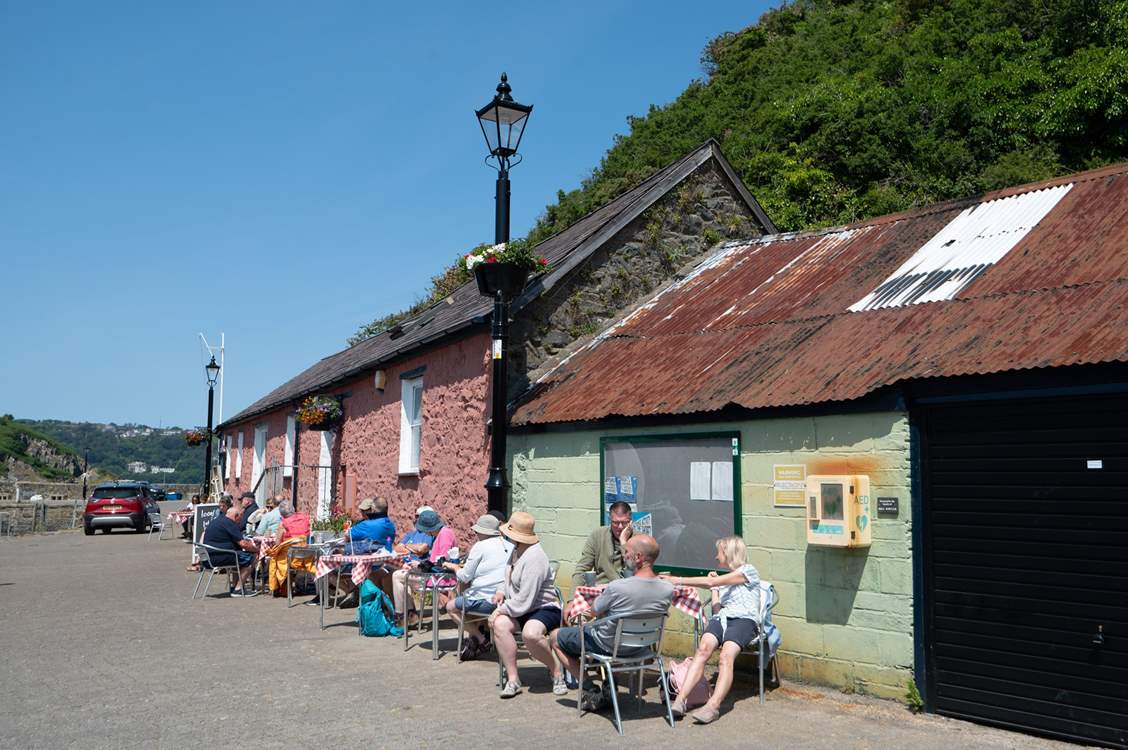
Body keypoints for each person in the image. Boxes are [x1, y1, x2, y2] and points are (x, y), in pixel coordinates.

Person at [550, 534, 673, 708]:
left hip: (608, 645)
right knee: (609, 631)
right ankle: (609, 687)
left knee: (555, 637)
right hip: (641, 648)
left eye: (627, 552)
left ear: (638, 557)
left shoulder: (617, 587)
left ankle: (589, 687)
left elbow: (593, 611)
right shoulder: (668, 589)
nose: (624, 556)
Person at [660, 535, 762, 725]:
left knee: (725, 656)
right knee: (703, 649)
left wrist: (676, 580)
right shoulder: (723, 580)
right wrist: (715, 590)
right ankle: (680, 701)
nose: (716, 557)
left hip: (744, 621)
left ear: (729, 553)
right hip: (722, 618)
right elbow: (716, 608)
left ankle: (713, 706)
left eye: (719, 552)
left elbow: (710, 583)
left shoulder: (748, 571)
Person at [489, 511, 561, 699]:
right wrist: (501, 591)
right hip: (521, 608)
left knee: (530, 633)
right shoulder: (516, 551)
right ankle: (513, 679)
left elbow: (525, 600)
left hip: (543, 607)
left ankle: (556, 670)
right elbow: (510, 580)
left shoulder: (535, 557)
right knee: (500, 626)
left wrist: (498, 610)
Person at [440, 514, 513, 660]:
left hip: (486, 601)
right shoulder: (510, 546)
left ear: (482, 532)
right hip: (506, 599)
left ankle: (480, 639)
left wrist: (454, 567)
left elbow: (465, 576)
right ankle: (477, 638)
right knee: (469, 600)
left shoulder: (480, 546)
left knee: (451, 607)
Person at [390, 509, 457, 624]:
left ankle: (401, 616)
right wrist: (419, 565)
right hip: (434, 574)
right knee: (401, 576)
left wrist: (420, 565)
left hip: (438, 578)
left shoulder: (444, 535)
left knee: (397, 576)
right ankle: (409, 614)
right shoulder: (443, 533)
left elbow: (442, 563)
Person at [200, 505, 260, 597]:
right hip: (219, 557)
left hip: (208, 557)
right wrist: (257, 549)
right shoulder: (229, 523)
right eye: (241, 517)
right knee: (253, 557)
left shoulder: (217, 521)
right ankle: (238, 589)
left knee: (239, 556)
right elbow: (243, 544)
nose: (241, 521)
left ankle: (234, 586)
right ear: (236, 516)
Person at [572, 501, 633, 587]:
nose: (620, 527)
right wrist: (572, 598)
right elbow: (582, 568)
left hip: (626, 590)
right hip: (600, 588)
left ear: (630, 522)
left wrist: (623, 543)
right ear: (610, 521)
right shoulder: (598, 535)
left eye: (624, 522)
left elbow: (633, 568)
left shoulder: (639, 540)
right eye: (615, 522)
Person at [267, 501, 313, 596]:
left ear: (281, 514)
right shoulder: (305, 519)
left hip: (291, 557)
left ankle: (279, 588)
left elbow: (278, 543)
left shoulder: (283, 524)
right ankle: (292, 587)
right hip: (306, 555)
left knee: (274, 557)